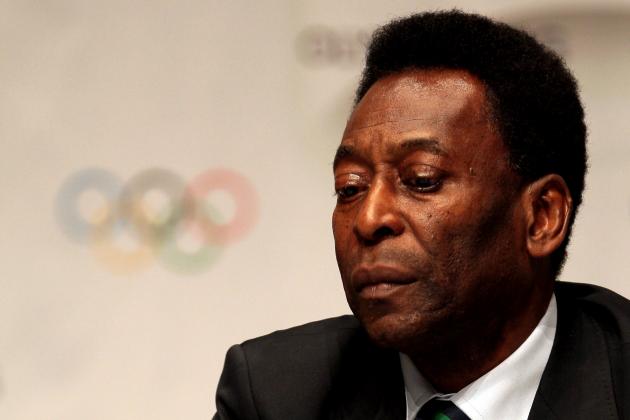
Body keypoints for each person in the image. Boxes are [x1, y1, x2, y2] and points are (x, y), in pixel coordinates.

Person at [213, 10, 630, 420]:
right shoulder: (276, 395)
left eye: (421, 180)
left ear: (542, 216)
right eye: (350, 187)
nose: (369, 219)